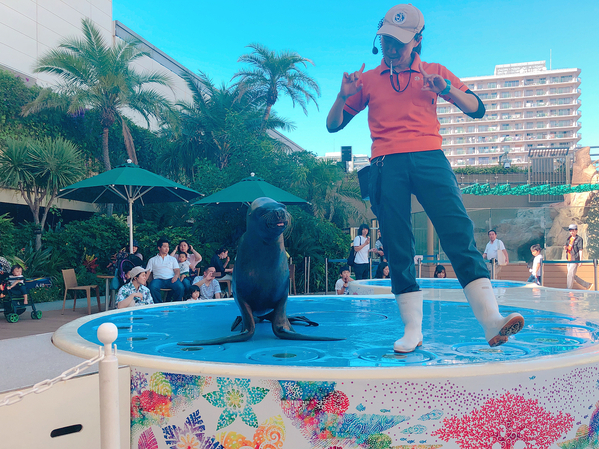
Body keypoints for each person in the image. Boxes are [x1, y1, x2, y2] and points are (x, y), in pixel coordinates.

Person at [326, 4, 523, 353]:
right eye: (386, 40)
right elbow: (334, 124)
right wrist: (343, 95)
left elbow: (477, 108)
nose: (392, 48)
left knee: (458, 233)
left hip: (430, 158)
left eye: (399, 43)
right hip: (386, 164)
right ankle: (412, 330)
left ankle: (492, 321)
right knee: (398, 246)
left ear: (417, 40)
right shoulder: (368, 80)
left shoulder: (434, 72)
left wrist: (445, 88)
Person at [145, 238, 184, 303]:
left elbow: (177, 270)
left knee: (180, 287)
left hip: (171, 279)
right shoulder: (152, 260)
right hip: (158, 280)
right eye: (164, 247)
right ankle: (159, 305)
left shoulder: (172, 259)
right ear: (159, 248)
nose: (167, 249)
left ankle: (176, 304)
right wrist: (144, 281)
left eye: (168, 247)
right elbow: (148, 272)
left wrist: (176, 276)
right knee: (152, 286)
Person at [564, 224, 592, 289]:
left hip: (575, 259)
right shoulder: (568, 238)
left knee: (570, 275)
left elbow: (580, 250)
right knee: (572, 275)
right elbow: (568, 247)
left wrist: (580, 260)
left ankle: (568, 289)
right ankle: (587, 285)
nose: (572, 232)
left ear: (576, 231)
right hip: (569, 258)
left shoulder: (579, 239)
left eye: (573, 230)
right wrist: (566, 248)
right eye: (570, 231)